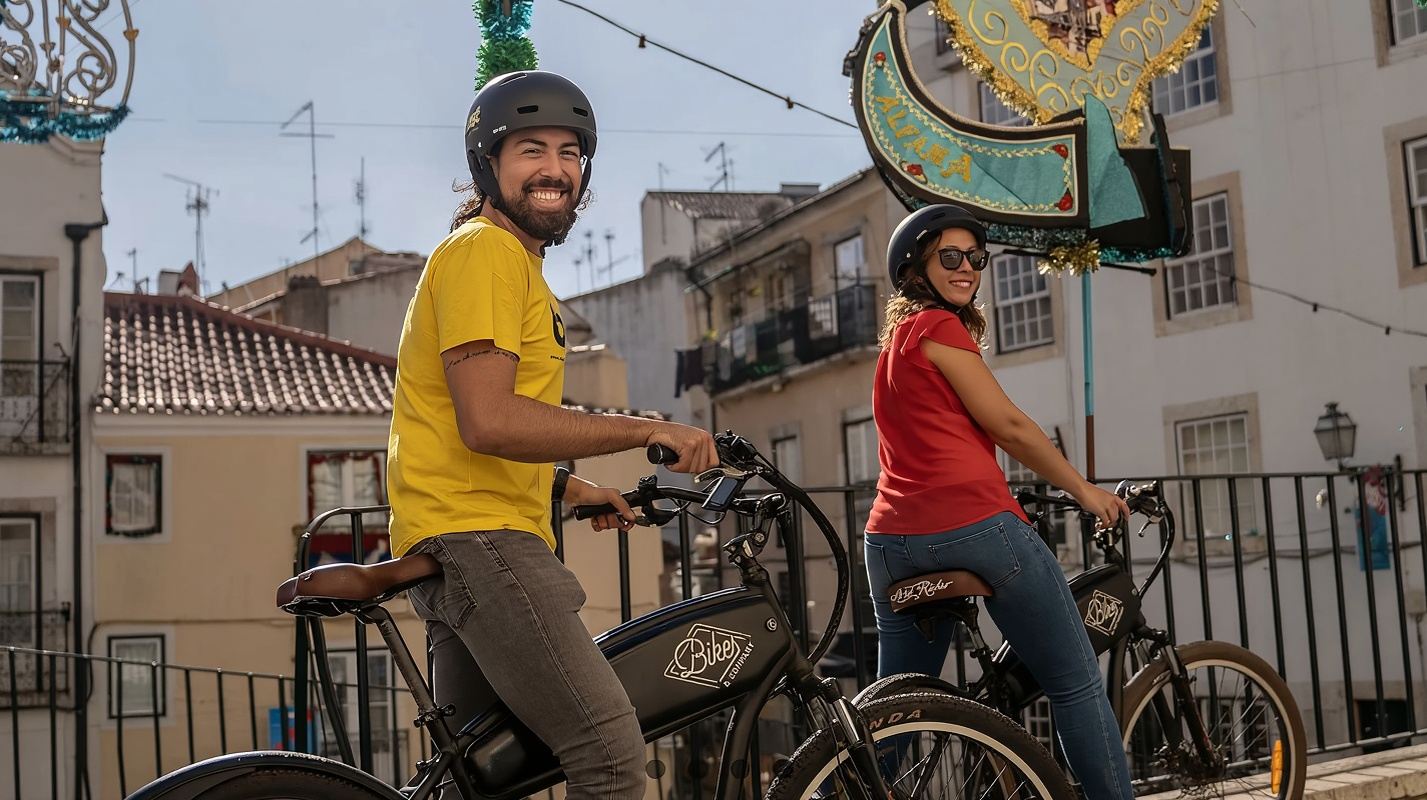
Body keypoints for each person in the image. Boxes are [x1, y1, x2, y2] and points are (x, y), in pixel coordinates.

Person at [386, 70, 718, 799]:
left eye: (570, 153)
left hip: (459, 534)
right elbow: (491, 421)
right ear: (489, 166)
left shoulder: (513, 268)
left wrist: (570, 485)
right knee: (607, 753)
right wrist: (647, 429)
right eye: (531, 149)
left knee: (481, 779)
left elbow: (457, 422)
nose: (554, 169)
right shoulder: (485, 252)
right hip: (483, 543)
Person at [863, 204, 1135, 800]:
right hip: (972, 526)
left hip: (889, 543)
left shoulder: (893, 350)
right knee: (1075, 682)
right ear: (917, 267)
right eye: (950, 257)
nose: (967, 268)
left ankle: (838, 789)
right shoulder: (940, 328)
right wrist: (1085, 491)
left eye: (976, 258)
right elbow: (1009, 426)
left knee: (896, 712)